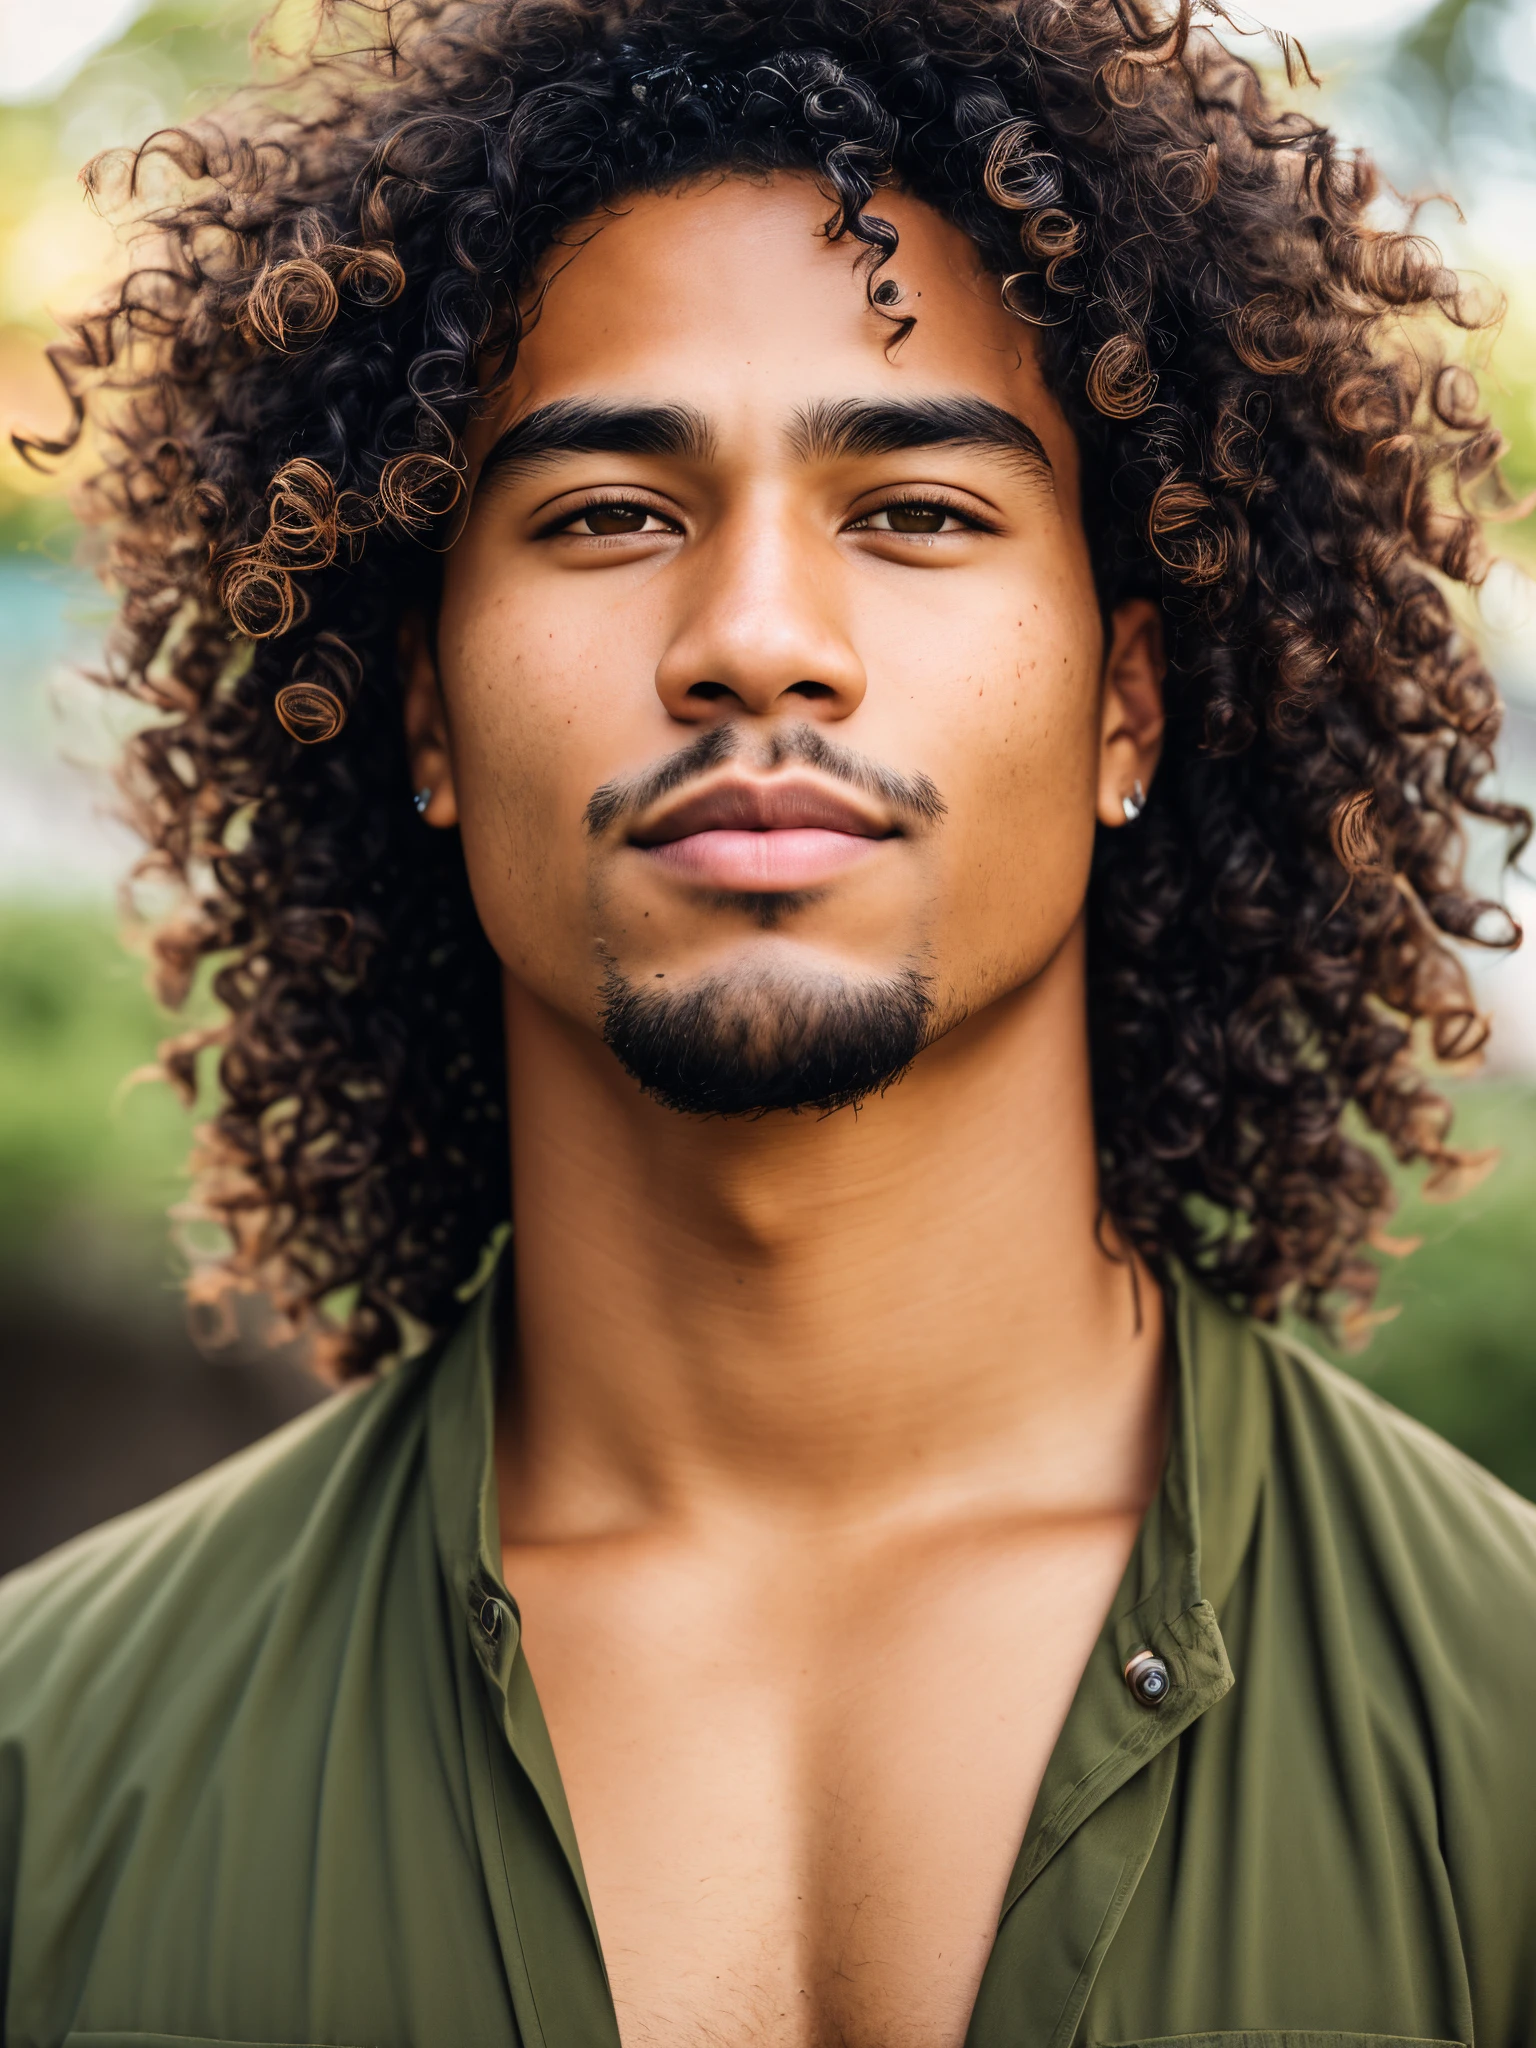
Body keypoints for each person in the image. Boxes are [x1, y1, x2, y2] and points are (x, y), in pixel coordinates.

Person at [2, 0, 1534, 2040]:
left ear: (1127, 705)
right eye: (611, 512)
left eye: (914, 512)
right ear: (430, 715)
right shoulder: (48, 1780)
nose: (753, 645)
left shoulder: (1503, 1731)